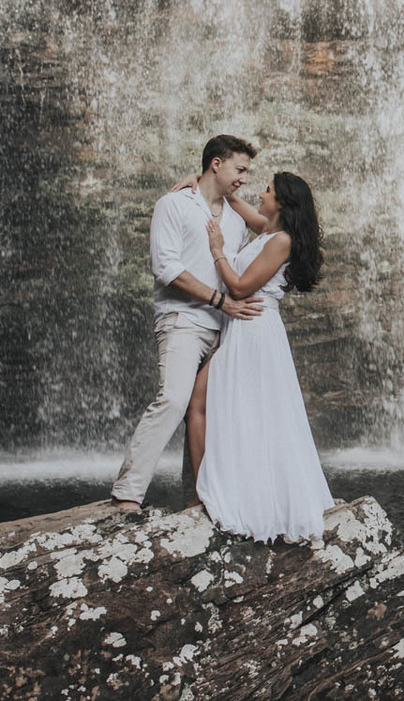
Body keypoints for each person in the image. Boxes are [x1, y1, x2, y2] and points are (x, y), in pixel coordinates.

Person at [111, 135, 264, 511]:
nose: (245, 178)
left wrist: (227, 306)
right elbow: (166, 268)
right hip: (183, 321)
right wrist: (219, 300)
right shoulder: (173, 204)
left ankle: (198, 499)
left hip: (225, 327)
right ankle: (127, 494)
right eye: (240, 169)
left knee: (206, 414)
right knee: (174, 399)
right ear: (216, 163)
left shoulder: (233, 217)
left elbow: (267, 234)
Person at [191, 172, 334, 543]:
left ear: (283, 203)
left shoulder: (281, 241)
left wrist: (218, 248)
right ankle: (212, 491)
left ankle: (210, 496)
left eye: (268, 191)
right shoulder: (270, 231)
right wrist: (213, 185)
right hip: (245, 327)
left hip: (254, 329)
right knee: (227, 408)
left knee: (209, 405)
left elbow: (239, 287)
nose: (261, 193)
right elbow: (245, 211)